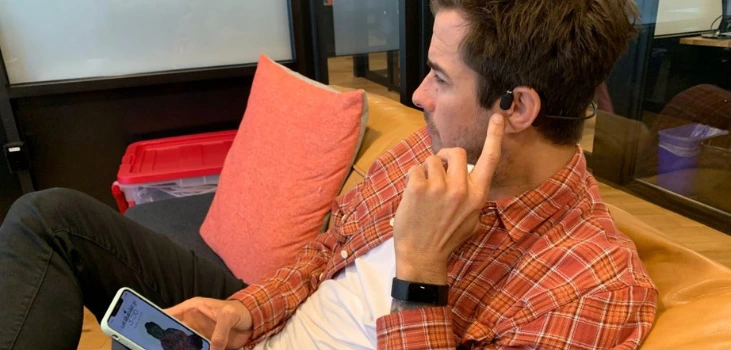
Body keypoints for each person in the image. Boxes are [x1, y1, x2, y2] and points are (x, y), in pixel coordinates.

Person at [0, 0, 657, 349]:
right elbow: (323, 256)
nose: (417, 97)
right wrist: (241, 311)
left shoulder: (589, 288)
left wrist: (420, 269)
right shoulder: (423, 153)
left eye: (441, 77)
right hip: (269, 330)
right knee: (48, 217)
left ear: (514, 108)